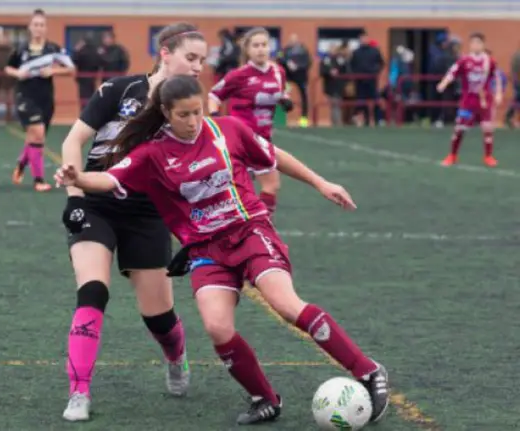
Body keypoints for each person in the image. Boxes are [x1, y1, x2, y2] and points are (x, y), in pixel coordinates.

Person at [55, 75, 390, 426]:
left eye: (197, 112)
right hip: (205, 249)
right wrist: (77, 178)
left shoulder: (227, 129)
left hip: (249, 232)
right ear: (166, 113)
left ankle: (368, 371)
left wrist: (321, 183)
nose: (192, 122)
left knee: (286, 305)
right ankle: (265, 398)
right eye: (183, 115)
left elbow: (273, 155)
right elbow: (111, 179)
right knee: (217, 327)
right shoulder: (152, 153)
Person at [58, 22, 207, 422]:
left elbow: (195, 177)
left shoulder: (190, 111)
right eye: (191, 58)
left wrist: (191, 236)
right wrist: (75, 197)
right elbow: (73, 142)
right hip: (97, 204)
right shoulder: (120, 90)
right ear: (165, 53)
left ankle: (176, 359)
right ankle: (78, 393)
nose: (198, 68)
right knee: (93, 291)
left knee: (158, 317)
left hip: (148, 213)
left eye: (202, 61)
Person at [207, 27, 293, 215]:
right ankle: (253, 225)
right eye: (256, 45)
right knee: (262, 184)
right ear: (247, 50)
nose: (261, 49)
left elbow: (281, 91)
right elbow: (213, 95)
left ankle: (259, 225)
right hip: (241, 139)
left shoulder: (278, 71)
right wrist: (215, 119)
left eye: (264, 45)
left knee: (269, 186)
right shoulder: (239, 75)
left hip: (264, 138)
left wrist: (285, 99)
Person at [4, 9, 75, 192]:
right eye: (35, 24)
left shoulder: (53, 50)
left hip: (45, 98)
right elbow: (8, 68)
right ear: (30, 27)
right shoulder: (21, 49)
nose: (38, 28)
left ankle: (21, 165)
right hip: (25, 96)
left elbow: (71, 69)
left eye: (41, 25)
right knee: (37, 132)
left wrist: (54, 71)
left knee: (36, 137)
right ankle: (39, 181)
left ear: (46, 28)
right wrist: (18, 73)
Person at [437, 33, 502, 167]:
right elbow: (452, 72)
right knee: (459, 128)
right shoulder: (464, 61)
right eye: (473, 43)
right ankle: (452, 155)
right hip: (468, 100)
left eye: (478, 43)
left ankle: (488, 156)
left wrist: (498, 93)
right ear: (470, 45)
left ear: (483, 45)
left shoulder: (489, 61)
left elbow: (497, 77)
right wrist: (443, 83)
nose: (476, 45)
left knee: (487, 128)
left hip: (484, 100)